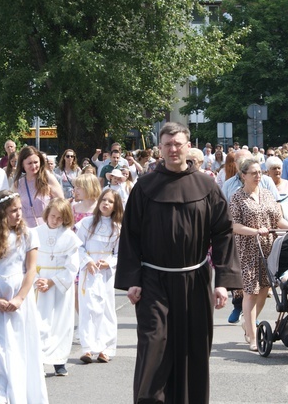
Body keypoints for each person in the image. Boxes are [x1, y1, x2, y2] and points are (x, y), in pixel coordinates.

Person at [116, 122, 242, 404]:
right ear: (160, 149)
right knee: (153, 347)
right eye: (167, 145)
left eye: (178, 144)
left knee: (192, 349)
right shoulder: (145, 187)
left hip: (194, 280)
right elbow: (130, 235)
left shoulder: (207, 186)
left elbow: (222, 233)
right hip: (153, 281)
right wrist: (132, 279)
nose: (173, 149)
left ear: (188, 147)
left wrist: (222, 282)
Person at [0, 190, 49, 403]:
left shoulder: (28, 234)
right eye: (13, 211)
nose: (18, 214)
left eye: (20, 209)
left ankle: (22, 397)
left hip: (20, 297)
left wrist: (19, 298)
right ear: (1, 213)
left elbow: (30, 270)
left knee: (20, 349)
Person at [229, 158, 288, 351]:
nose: (258, 176)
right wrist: (255, 230)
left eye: (260, 172)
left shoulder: (267, 195)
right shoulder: (238, 197)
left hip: (268, 247)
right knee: (250, 292)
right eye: (253, 173)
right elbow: (234, 226)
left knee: (265, 289)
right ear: (244, 176)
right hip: (247, 249)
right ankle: (251, 336)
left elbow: (278, 219)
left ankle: (248, 323)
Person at [34, 198, 81, 376]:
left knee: (60, 324)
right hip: (39, 284)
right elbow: (27, 261)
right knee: (40, 323)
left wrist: (52, 281)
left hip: (59, 286)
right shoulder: (35, 233)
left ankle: (59, 361)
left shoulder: (70, 238)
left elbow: (72, 266)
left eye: (60, 218)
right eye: (52, 216)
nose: (55, 220)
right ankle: (38, 360)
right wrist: (37, 279)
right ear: (47, 214)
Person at [76, 189, 123, 364]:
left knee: (106, 308)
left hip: (105, 272)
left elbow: (120, 253)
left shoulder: (117, 227)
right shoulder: (87, 223)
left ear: (115, 206)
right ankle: (87, 348)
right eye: (104, 200)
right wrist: (87, 261)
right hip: (89, 269)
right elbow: (78, 246)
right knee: (88, 308)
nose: (106, 204)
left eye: (110, 202)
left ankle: (106, 348)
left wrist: (109, 262)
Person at [13, 146, 64, 227]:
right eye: (29, 163)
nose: (33, 166)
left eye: (36, 162)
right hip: (26, 229)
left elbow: (61, 202)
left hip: (47, 227)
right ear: (22, 164)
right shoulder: (18, 183)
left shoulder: (48, 178)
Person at [265, 155, 288, 226]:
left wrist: (282, 207)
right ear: (268, 171)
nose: (277, 170)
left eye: (279, 168)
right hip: (269, 223)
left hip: (287, 223)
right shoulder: (264, 186)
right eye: (274, 168)